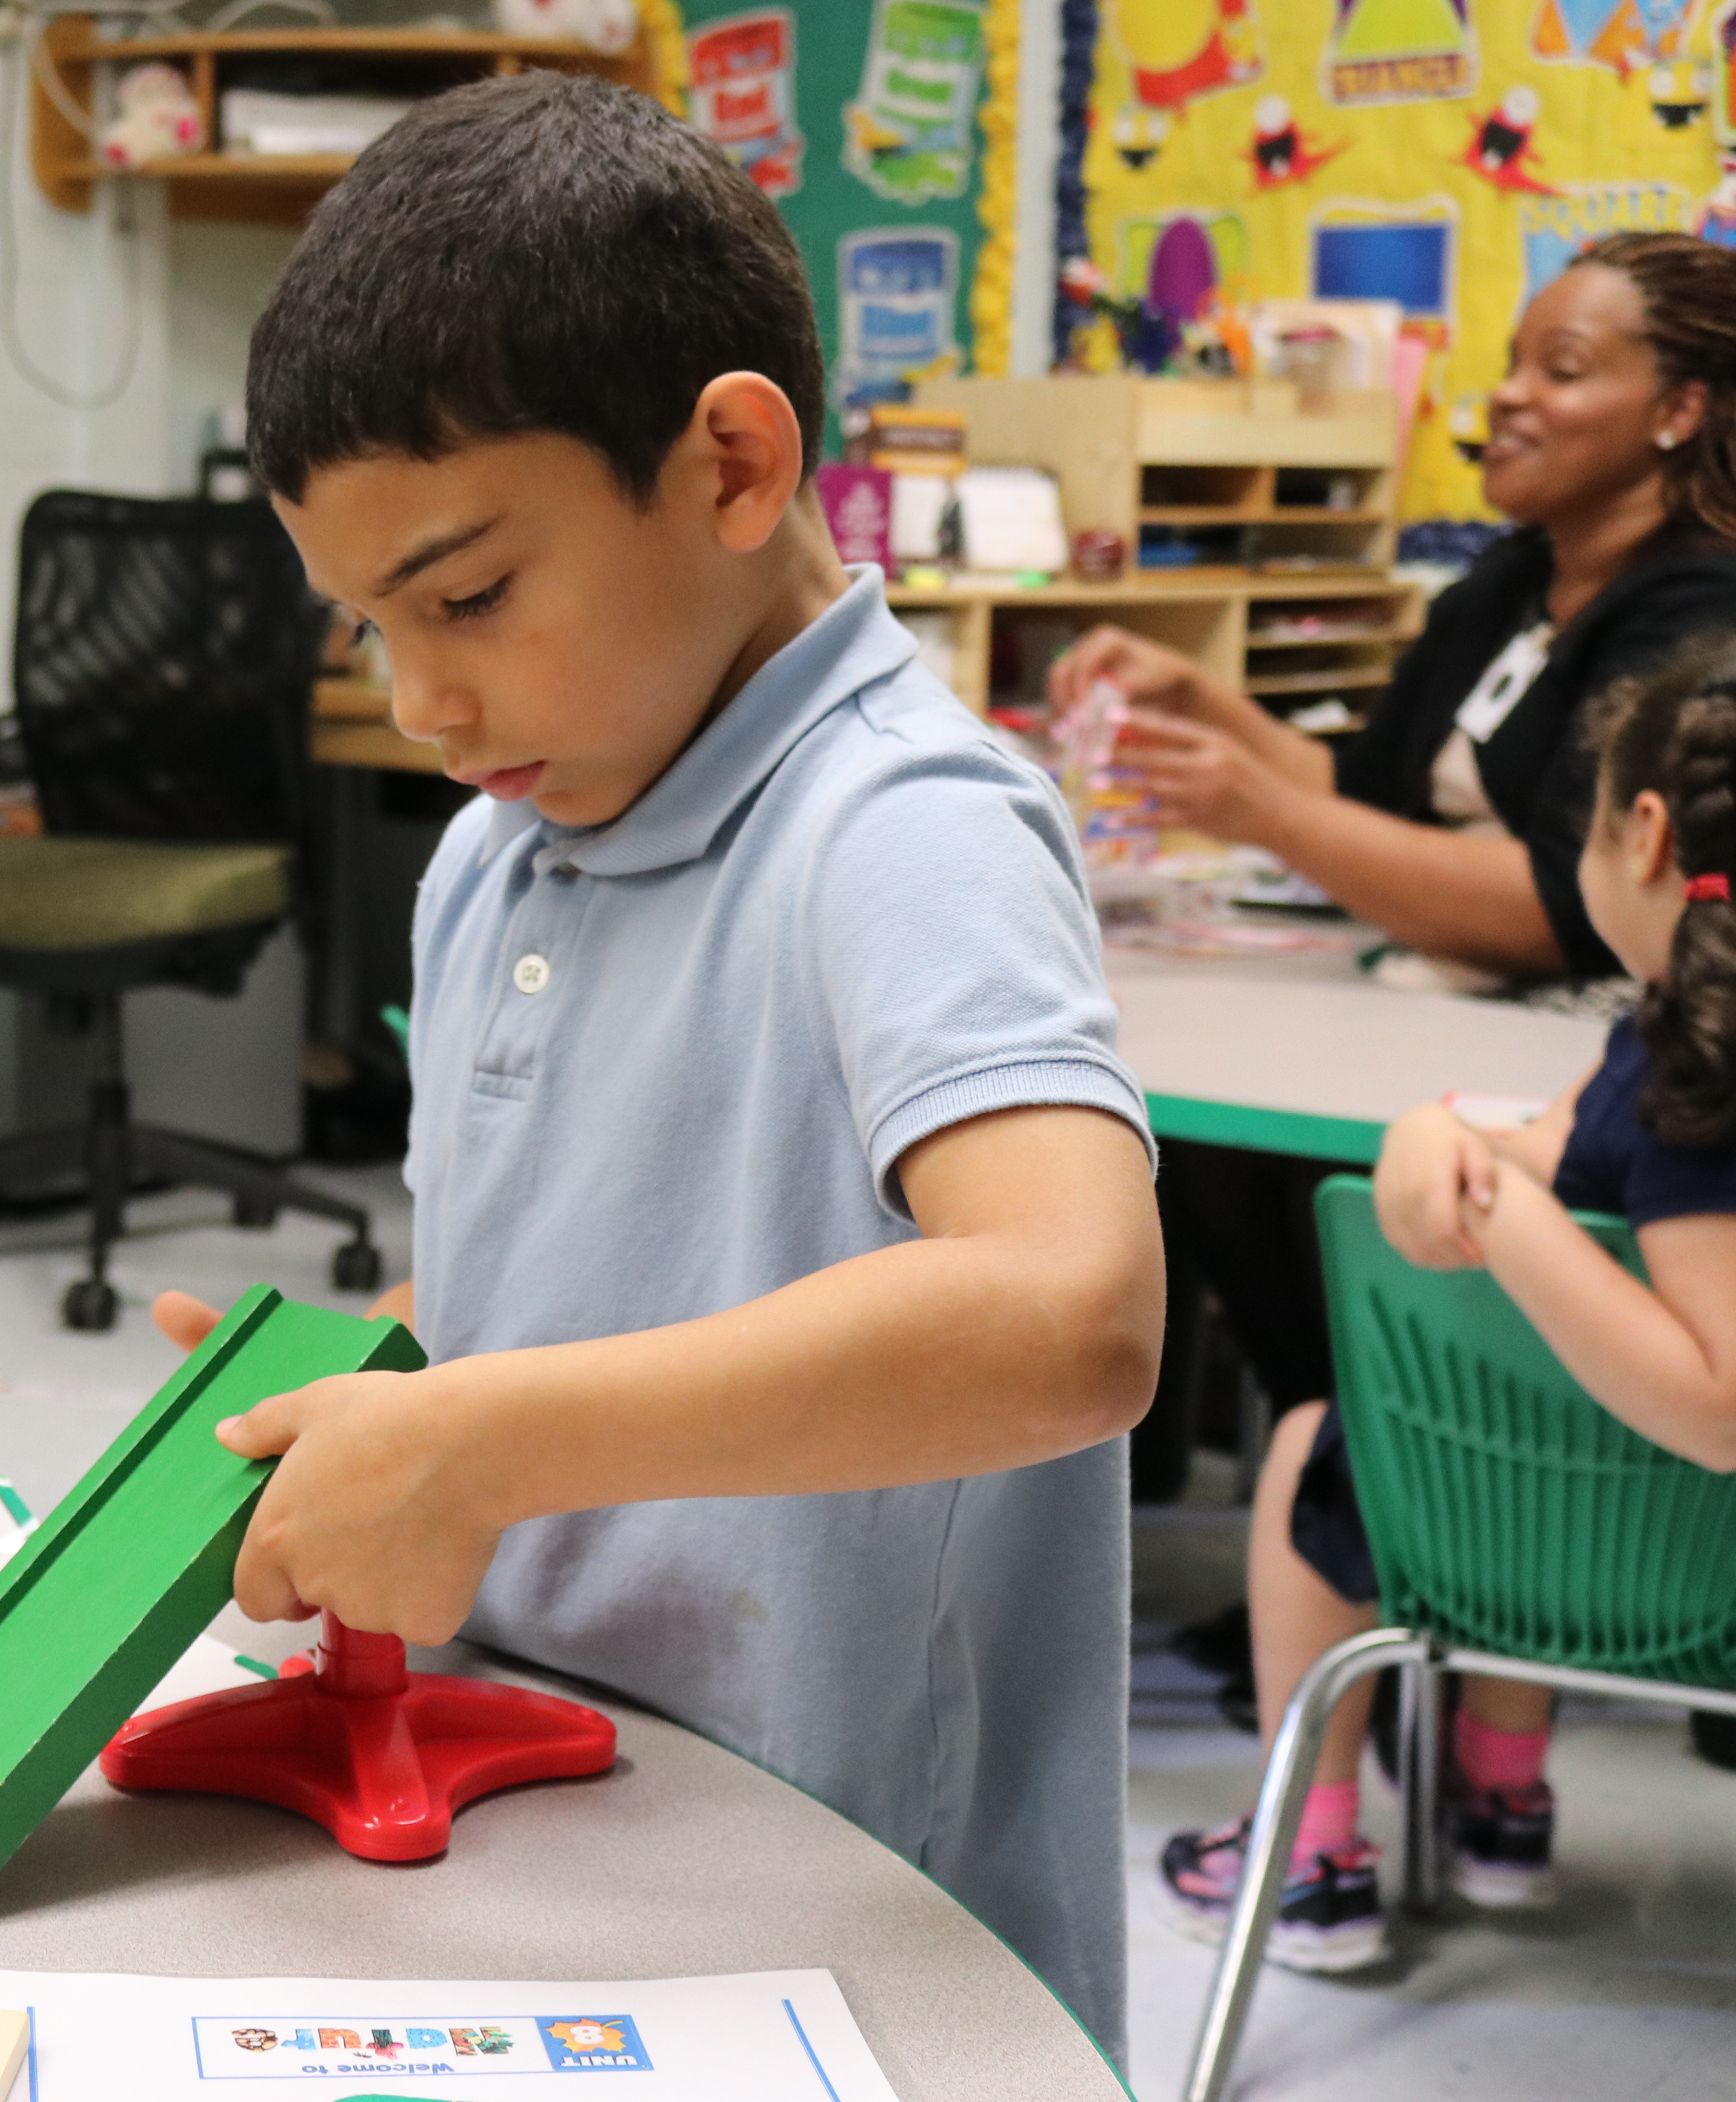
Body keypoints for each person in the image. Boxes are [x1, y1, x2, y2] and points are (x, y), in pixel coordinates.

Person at [155, 77, 1165, 2054]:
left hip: (853, 1927)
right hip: (552, 1843)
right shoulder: (494, 851)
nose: (423, 700)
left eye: (466, 597)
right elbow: (549, 1299)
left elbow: (1075, 1315)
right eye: (370, 627)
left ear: (729, 463)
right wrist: (357, 1400)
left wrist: (492, 1440)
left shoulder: (901, 826)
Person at [1048, 232, 1736, 1470]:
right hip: (1415, 1001)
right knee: (1191, 1139)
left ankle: (1393, 1470)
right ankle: (1344, 1466)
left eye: (1562, 369)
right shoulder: (1508, 579)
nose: (1508, 395)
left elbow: (1548, 909)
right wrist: (1207, 708)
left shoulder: (1696, 619)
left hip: (1549, 1025)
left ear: (1679, 410)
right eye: (1514, 362)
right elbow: (1365, 793)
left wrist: (1263, 808)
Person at [1162, 641, 1736, 1970]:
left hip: (1646, 1540)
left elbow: (1716, 1406)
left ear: (1641, 834)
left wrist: (1504, 1216)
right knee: (1534, 1413)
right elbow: (1544, 1143)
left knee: (1317, 1446)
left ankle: (1308, 1852)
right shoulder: (1659, 1050)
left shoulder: (1698, 1087)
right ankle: (1500, 1797)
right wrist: (1441, 1136)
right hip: (1648, 1542)